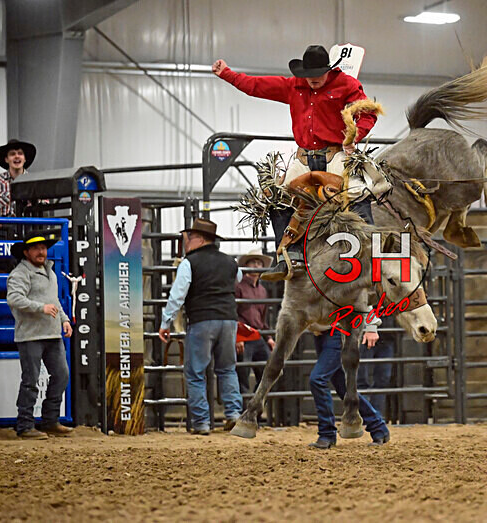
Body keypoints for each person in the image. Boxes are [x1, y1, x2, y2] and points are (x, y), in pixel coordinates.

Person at [212, 45, 386, 281]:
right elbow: (256, 86)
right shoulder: (294, 85)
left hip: (335, 153)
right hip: (304, 156)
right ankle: (288, 254)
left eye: (317, 76)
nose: (312, 80)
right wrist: (227, 74)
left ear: (328, 71)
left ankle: (368, 250)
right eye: (309, 76)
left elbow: (368, 113)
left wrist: (355, 135)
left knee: (357, 193)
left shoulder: (346, 85)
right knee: (276, 198)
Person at [158, 218, 243, 435]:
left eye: (189, 237)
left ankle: (202, 423)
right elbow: (238, 279)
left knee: (196, 372)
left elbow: (177, 295)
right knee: (227, 369)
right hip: (228, 320)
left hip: (202, 320)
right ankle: (234, 414)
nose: (186, 241)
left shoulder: (189, 262)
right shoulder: (230, 261)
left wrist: (166, 321)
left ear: (200, 239)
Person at [6, 230, 73, 439]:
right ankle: (25, 425)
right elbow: (14, 298)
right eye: (36, 248)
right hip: (30, 336)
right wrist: (40, 307)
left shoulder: (50, 272)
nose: (41, 252)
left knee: (61, 375)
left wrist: (64, 319)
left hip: (52, 334)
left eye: (43, 248)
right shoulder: (20, 273)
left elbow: (54, 300)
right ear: (26, 252)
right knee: (31, 381)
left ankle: (49, 421)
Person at [308, 326, 390, 449]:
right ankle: (378, 427)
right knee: (343, 386)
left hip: (336, 331)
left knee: (318, 379)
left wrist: (371, 328)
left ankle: (327, 433)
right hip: (321, 333)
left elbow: (363, 306)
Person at [235, 249, 274, 394]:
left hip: (257, 335)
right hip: (244, 335)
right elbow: (234, 313)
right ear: (246, 265)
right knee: (243, 375)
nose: (257, 266)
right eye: (254, 262)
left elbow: (262, 318)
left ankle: (254, 407)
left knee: (269, 372)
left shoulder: (263, 290)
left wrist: (269, 338)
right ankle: (246, 410)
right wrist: (238, 336)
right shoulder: (238, 287)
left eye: (259, 263)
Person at [357, 314, 395, 419]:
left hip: (386, 331)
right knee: (361, 379)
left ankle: (376, 417)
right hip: (366, 328)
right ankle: (366, 416)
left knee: (383, 379)